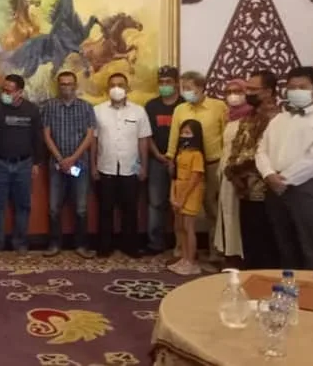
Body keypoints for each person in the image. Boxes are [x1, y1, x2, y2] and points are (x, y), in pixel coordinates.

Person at [256, 66, 313, 271]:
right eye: (292, 87)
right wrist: (269, 174)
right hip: (275, 188)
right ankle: (290, 288)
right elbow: (261, 150)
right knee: (285, 246)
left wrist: (285, 178)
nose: (296, 91)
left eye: (302, 87)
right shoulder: (278, 120)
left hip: (310, 188)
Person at [166, 71, 228, 263]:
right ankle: (182, 250)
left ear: (201, 87)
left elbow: (226, 134)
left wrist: (226, 162)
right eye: (183, 88)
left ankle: (215, 252)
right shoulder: (180, 109)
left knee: (212, 207)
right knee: (181, 208)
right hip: (184, 165)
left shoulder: (218, 107)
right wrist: (171, 158)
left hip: (212, 164)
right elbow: (174, 135)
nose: (185, 92)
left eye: (188, 88)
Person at [224, 70, 281, 269]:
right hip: (245, 189)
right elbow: (238, 147)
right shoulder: (249, 115)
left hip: (265, 189)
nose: (247, 92)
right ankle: (250, 276)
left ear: (268, 91)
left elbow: (261, 152)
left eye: (252, 89)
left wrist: (239, 169)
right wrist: (232, 171)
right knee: (250, 239)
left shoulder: (276, 118)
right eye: (247, 88)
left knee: (264, 242)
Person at [91, 73, 152, 258]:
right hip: (105, 167)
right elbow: (93, 140)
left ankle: (130, 246)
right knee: (105, 209)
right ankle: (105, 246)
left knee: (130, 209)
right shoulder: (97, 111)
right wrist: (93, 165)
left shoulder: (139, 111)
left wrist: (144, 166)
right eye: (112, 85)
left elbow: (143, 140)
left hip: (131, 168)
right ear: (107, 89)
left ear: (127, 88)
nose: (116, 88)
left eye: (120, 85)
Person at [0, 74, 43, 254]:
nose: (5, 93)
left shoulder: (32, 110)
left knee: (23, 205)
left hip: (24, 163)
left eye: (9, 91)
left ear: (20, 92)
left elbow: (37, 137)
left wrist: (37, 162)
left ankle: (20, 242)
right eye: (4, 90)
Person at [42, 71, 96, 258]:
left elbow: (89, 136)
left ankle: (81, 245)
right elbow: (46, 135)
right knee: (53, 208)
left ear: (76, 85)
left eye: (69, 84)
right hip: (56, 166)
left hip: (79, 165)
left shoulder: (86, 107)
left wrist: (72, 158)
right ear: (58, 86)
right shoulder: (49, 106)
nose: (66, 87)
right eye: (63, 84)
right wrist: (60, 159)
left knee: (81, 208)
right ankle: (54, 244)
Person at [143, 66, 183, 255]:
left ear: (177, 83)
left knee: (181, 205)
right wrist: (158, 154)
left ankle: (181, 245)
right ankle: (155, 243)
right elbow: (147, 134)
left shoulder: (184, 105)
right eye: (161, 82)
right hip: (157, 160)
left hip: (181, 162)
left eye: (168, 82)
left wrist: (174, 157)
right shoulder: (151, 106)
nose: (164, 85)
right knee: (156, 203)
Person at [213, 78, 253, 261]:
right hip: (226, 171)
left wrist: (238, 172)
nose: (233, 96)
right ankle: (229, 253)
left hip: (240, 174)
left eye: (237, 91)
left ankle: (238, 255)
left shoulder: (251, 118)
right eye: (229, 92)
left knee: (236, 215)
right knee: (226, 212)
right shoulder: (229, 118)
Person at [169, 119, 206, 276]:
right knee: (180, 227)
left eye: (188, 133)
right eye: (183, 132)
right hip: (178, 190)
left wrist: (182, 198)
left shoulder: (197, 155)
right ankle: (184, 258)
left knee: (188, 227)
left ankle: (191, 261)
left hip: (191, 193)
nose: (184, 136)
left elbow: (195, 178)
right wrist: (172, 195)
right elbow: (174, 176)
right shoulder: (180, 153)